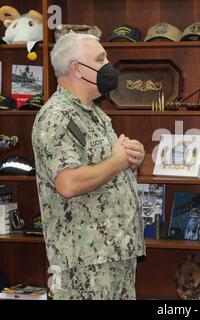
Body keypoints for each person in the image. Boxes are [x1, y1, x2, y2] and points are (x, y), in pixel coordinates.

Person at [32, 33, 146, 300]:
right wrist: (117, 162)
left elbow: (105, 170)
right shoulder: (56, 116)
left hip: (116, 254)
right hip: (84, 265)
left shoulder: (95, 113)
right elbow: (68, 184)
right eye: (100, 58)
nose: (108, 64)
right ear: (76, 69)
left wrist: (129, 159)